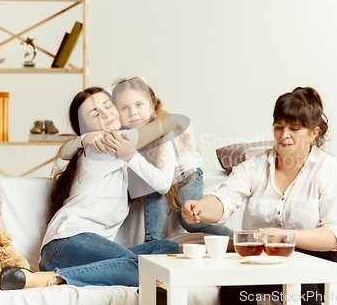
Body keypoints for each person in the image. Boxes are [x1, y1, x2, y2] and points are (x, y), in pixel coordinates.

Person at [181, 87, 337, 305]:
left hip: (329, 255)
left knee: (302, 286)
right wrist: (200, 208)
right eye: (279, 127)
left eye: (294, 129)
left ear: (314, 133)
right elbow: (224, 200)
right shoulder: (254, 167)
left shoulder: (329, 171)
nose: (284, 135)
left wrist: (284, 237)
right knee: (234, 286)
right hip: (272, 254)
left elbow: (333, 236)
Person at [0, 87, 180, 293]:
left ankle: (63, 276)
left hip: (83, 251)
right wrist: (154, 109)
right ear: (86, 128)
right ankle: (49, 278)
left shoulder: (110, 147)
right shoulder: (105, 144)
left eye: (108, 106)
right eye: (95, 114)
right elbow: (170, 122)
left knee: (168, 250)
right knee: (151, 268)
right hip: (67, 242)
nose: (105, 114)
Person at [61, 77, 233, 241]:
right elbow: (64, 152)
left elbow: (163, 182)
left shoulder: (158, 129)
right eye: (124, 108)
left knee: (189, 219)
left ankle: (236, 238)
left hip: (186, 175)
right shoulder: (117, 134)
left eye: (139, 105)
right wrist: (84, 138)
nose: (133, 112)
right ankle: (151, 241)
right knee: (150, 186)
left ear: (151, 108)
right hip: (159, 174)